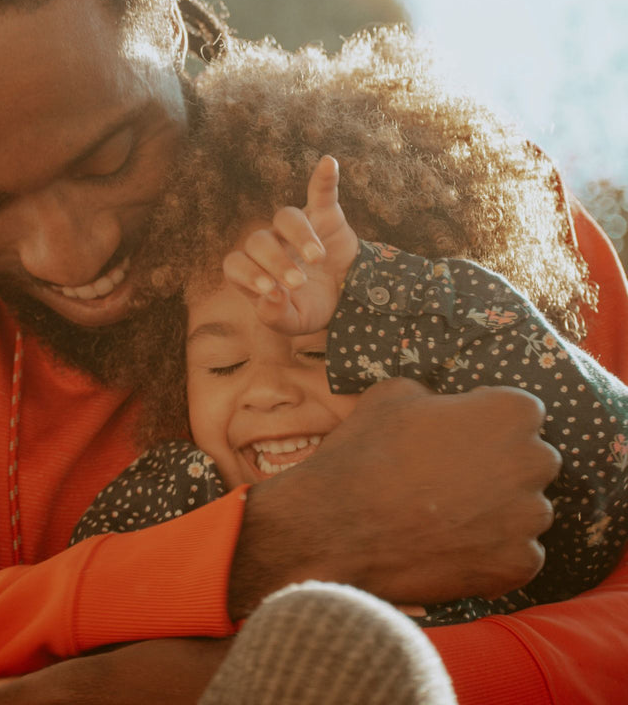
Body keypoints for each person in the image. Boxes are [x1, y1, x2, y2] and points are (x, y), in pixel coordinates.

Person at [0, 0, 625, 705]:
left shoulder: (438, 197)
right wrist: (277, 545)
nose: (69, 252)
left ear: (177, 30)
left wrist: (295, 681)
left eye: (110, 157)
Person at [70, 37, 628, 629]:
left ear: (429, 353)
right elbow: (92, 622)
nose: (267, 392)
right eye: (224, 365)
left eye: (319, 351)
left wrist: (377, 287)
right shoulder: (174, 504)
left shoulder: (499, 511)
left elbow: (612, 455)